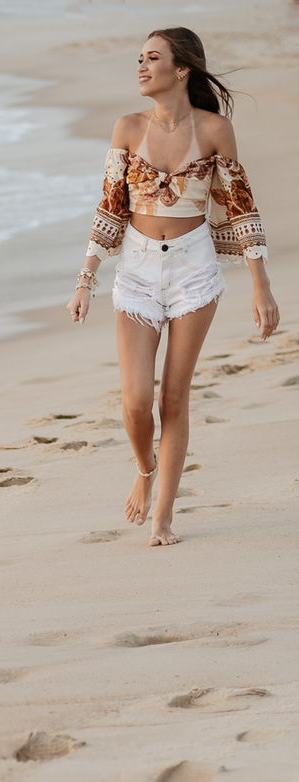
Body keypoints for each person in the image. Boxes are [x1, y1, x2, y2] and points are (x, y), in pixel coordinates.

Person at [68, 28, 279, 546]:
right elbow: (110, 207)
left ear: (180, 69)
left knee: (175, 400)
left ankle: (163, 516)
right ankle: (145, 469)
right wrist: (86, 278)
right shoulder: (126, 127)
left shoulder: (214, 129)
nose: (141, 66)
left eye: (152, 58)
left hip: (194, 271)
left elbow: (240, 205)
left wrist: (261, 287)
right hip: (136, 271)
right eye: (139, 59)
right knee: (137, 402)